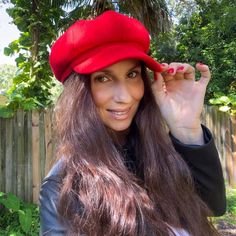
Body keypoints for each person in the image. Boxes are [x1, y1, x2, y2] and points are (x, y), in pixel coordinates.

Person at [39, 10, 226, 236]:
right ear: (80, 94)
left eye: (132, 75)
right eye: (103, 78)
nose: (125, 97)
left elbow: (212, 206)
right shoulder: (63, 186)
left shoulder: (160, 150)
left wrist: (187, 129)